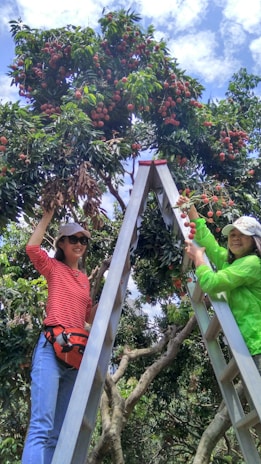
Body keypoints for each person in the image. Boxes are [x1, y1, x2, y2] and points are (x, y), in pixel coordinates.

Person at [22, 201, 96, 464]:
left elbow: (88, 316)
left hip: (74, 356)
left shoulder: (84, 279)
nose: (79, 244)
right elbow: (32, 248)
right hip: (51, 349)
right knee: (41, 427)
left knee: (59, 433)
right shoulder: (54, 269)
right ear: (61, 244)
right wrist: (47, 215)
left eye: (83, 241)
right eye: (73, 239)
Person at [177, 196, 261, 373]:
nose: (236, 239)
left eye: (243, 235)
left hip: (257, 344)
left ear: (255, 241)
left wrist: (198, 258)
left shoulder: (252, 263)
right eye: (233, 234)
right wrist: (191, 211)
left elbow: (212, 283)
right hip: (248, 344)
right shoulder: (233, 262)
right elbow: (211, 245)